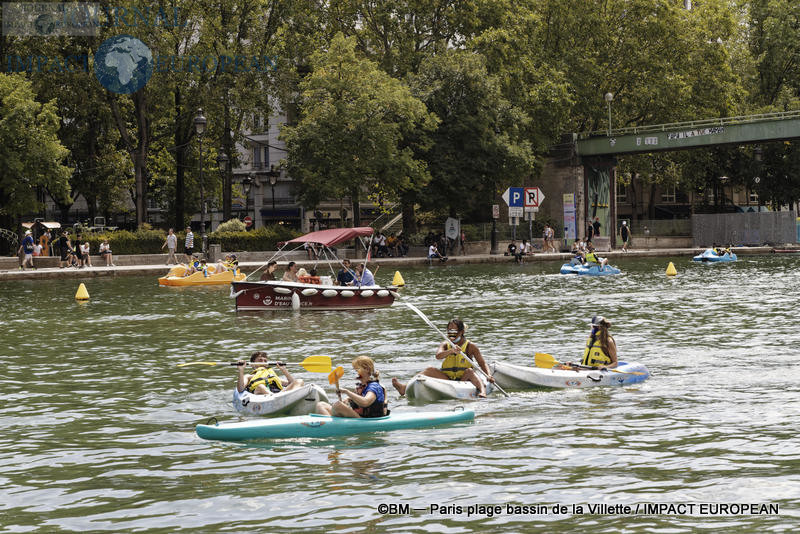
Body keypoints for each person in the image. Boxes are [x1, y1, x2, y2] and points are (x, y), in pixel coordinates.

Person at [392, 318, 494, 398]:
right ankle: (404, 388)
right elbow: (438, 356)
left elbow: (482, 363)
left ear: (462, 331)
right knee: (430, 370)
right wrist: (451, 351)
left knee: (470, 371)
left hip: (464, 378)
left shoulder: (471, 346)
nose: (451, 333)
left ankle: (482, 391)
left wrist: (488, 375)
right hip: (448, 378)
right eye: (449, 330)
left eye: (454, 330)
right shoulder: (445, 344)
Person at [316, 356, 388, 418]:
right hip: (359, 416)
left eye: (357, 369)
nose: (355, 372)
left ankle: (331, 425)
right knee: (321, 405)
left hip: (367, 419)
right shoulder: (361, 386)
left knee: (338, 405)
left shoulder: (374, 386)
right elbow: (354, 400)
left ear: (367, 369)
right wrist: (346, 400)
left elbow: (365, 402)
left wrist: (346, 392)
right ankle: (330, 425)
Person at [236, 351, 304, 396]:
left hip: (279, 394)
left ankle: (290, 398)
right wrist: (241, 370)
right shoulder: (249, 376)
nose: (263, 362)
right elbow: (240, 389)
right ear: (252, 364)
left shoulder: (272, 376)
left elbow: (292, 383)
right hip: (262, 395)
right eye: (260, 360)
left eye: (265, 361)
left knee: (299, 381)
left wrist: (284, 370)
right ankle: (275, 398)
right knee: (260, 386)